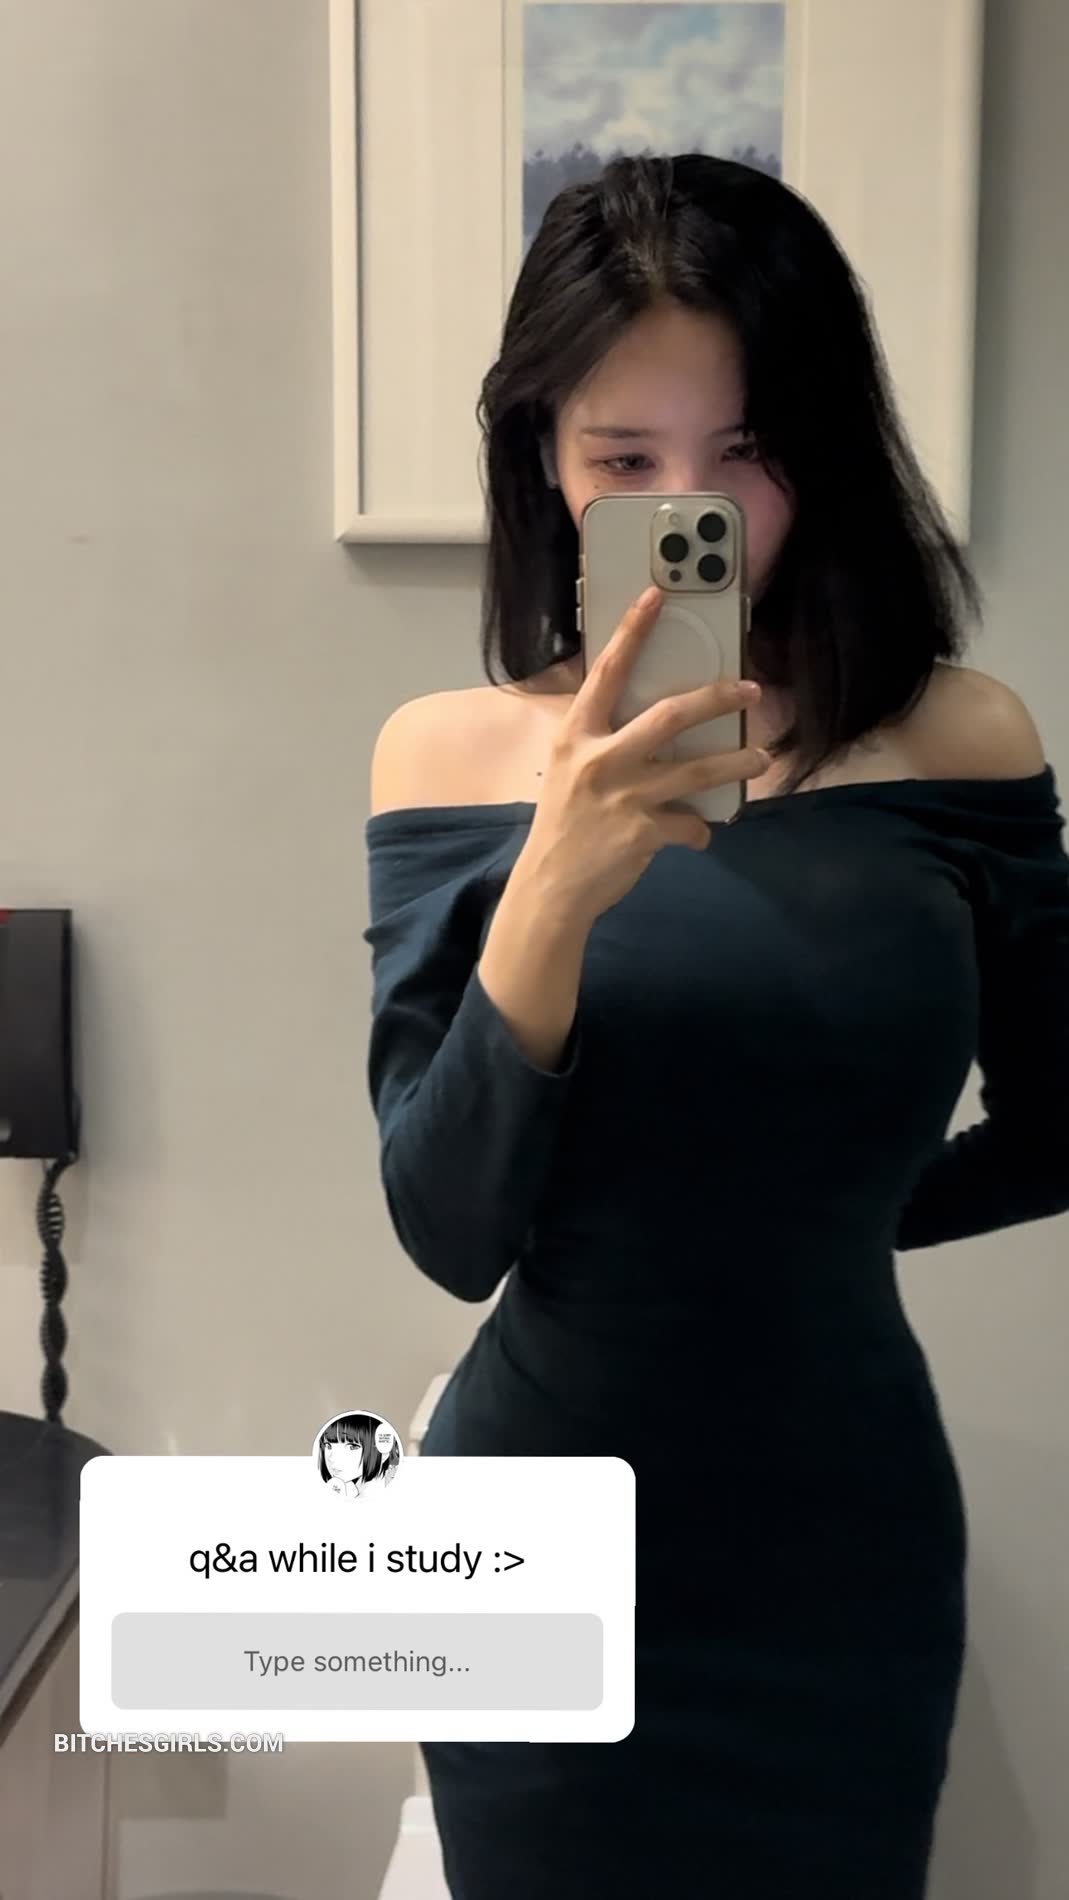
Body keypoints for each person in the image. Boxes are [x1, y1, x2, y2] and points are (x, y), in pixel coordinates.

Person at [360, 153, 1069, 1898]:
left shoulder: (963, 741)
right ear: (543, 458)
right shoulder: (445, 755)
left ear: (823, 450)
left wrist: (813, 1213)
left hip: (837, 1547)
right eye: (625, 460)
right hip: (531, 1534)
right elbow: (448, 1229)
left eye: (744, 448)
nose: (694, 506)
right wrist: (551, 884)